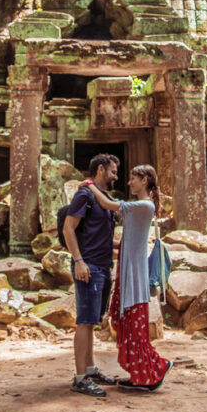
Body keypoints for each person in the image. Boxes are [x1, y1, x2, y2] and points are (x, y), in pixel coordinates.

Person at [83, 164, 173, 392]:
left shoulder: (143, 205)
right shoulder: (140, 207)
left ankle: (157, 369)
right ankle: (140, 376)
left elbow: (108, 205)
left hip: (134, 278)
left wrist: (90, 185)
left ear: (145, 181)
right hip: (129, 275)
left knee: (136, 332)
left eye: (133, 178)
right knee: (131, 329)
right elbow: (127, 242)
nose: (129, 182)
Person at [63, 153, 120, 397]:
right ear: (100, 170)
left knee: (92, 321)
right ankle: (80, 378)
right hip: (88, 267)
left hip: (102, 266)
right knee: (85, 322)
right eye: (113, 171)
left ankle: (90, 369)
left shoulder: (104, 198)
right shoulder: (84, 195)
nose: (116, 176)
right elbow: (69, 228)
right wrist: (78, 261)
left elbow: (98, 233)